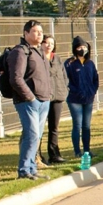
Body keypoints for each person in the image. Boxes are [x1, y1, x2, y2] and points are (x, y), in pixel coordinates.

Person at [8, 20, 52, 180]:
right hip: (28, 101)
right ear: (26, 33)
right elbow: (16, 78)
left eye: (40, 31)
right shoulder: (20, 52)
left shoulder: (39, 51)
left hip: (44, 100)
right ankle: (24, 170)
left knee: (37, 135)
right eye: (35, 31)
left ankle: (32, 168)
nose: (39, 34)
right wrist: (30, 97)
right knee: (31, 134)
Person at [65, 36, 98, 160]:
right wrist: (75, 91)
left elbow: (95, 78)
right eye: (79, 47)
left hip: (88, 98)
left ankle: (87, 150)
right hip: (75, 99)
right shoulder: (69, 64)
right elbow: (66, 81)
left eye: (84, 47)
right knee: (77, 125)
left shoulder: (90, 63)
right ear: (74, 49)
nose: (82, 49)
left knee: (86, 126)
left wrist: (93, 91)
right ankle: (77, 151)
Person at [42, 35, 68, 165]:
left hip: (57, 97)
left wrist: (64, 89)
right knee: (39, 128)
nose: (49, 45)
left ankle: (54, 154)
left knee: (54, 127)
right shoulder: (38, 57)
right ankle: (38, 156)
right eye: (46, 43)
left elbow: (64, 76)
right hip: (43, 97)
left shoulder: (57, 58)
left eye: (51, 43)